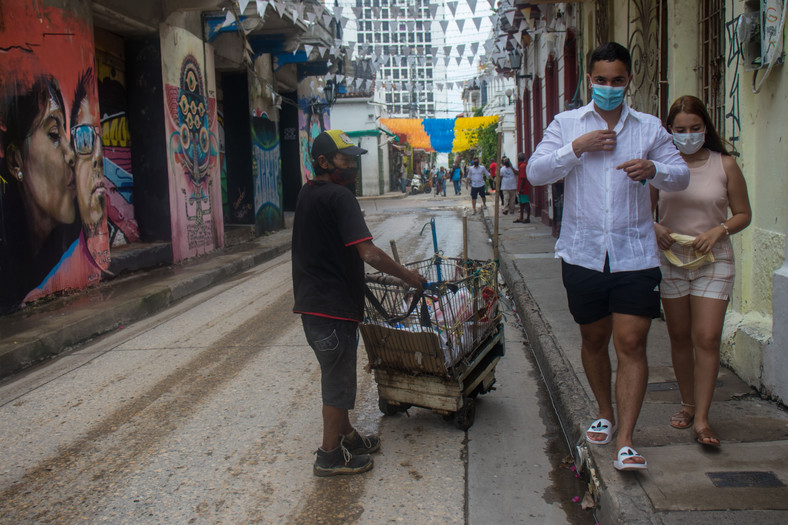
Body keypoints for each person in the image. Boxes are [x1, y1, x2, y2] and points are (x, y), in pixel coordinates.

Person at [527, 42, 690, 471]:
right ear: (589, 79)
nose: (609, 88)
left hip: (635, 253)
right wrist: (575, 148)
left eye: (618, 80)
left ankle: (627, 440)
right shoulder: (566, 124)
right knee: (594, 339)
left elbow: (681, 175)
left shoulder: (649, 128)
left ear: (629, 80)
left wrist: (653, 170)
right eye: (601, 80)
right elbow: (536, 173)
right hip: (582, 254)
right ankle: (605, 411)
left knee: (632, 343)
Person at [292, 129, 426, 477]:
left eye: (354, 160)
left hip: (313, 308)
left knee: (336, 377)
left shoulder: (308, 193)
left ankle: (347, 435)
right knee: (337, 385)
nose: (352, 166)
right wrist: (409, 277)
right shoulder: (340, 197)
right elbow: (369, 252)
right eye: (344, 160)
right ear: (323, 162)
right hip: (333, 309)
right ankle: (329, 455)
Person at [652, 95, 751, 448]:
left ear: (705, 127)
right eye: (681, 129)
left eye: (695, 128)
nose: (688, 135)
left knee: (706, 337)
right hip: (671, 259)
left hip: (714, 258)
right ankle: (687, 404)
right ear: (670, 131)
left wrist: (718, 230)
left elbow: (743, 213)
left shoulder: (725, 165)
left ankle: (704, 420)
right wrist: (655, 228)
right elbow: (641, 212)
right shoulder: (660, 167)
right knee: (679, 336)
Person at [0, 74, 79, 311]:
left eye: (67, 135)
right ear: (16, 161)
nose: (71, 154)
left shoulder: (73, 246)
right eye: (55, 135)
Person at [514, 152, 531, 223]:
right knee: (521, 203)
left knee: (526, 203)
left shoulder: (522, 166)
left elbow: (523, 178)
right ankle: (521, 217)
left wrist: (521, 188)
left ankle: (527, 217)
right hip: (522, 187)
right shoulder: (522, 166)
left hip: (524, 188)